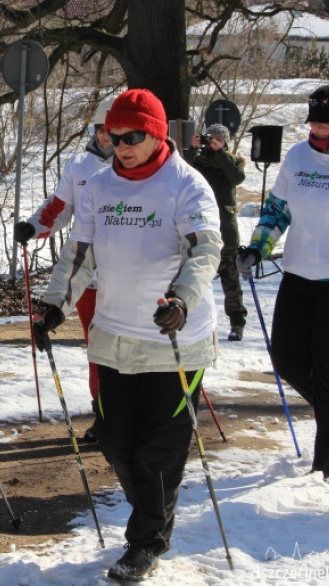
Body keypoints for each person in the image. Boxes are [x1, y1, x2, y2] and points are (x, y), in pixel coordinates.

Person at [32, 89, 221, 582]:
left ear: (157, 133)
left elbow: (204, 252)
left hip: (174, 339)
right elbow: (80, 254)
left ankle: (146, 541)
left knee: (158, 449)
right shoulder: (97, 185)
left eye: (132, 136)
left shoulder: (187, 185)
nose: (121, 146)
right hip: (114, 333)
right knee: (117, 443)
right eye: (113, 137)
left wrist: (181, 300)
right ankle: (152, 516)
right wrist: (56, 303)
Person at [236, 83, 329, 485]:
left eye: (328, 125)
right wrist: (258, 248)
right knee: (288, 361)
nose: (320, 132)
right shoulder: (299, 156)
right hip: (299, 276)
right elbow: (277, 211)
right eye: (314, 124)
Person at [14, 95, 115, 442]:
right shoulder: (79, 166)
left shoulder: (137, 167)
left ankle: (132, 415)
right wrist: (32, 226)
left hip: (127, 273)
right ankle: (103, 414)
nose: (108, 137)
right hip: (87, 277)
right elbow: (59, 207)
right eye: (102, 130)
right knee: (97, 347)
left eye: (115, 130)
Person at [190, 123, 248, 341]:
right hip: (200, 227)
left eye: (218, 139)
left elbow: (236, 178)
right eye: (210, 138)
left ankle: (237, 323)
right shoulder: (197, 161)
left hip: (225, 230)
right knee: (193, 276)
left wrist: (220, 152)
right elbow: (181, 170)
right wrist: (192, 148)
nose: (212, 142)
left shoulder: (232, 162)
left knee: (230, 279)